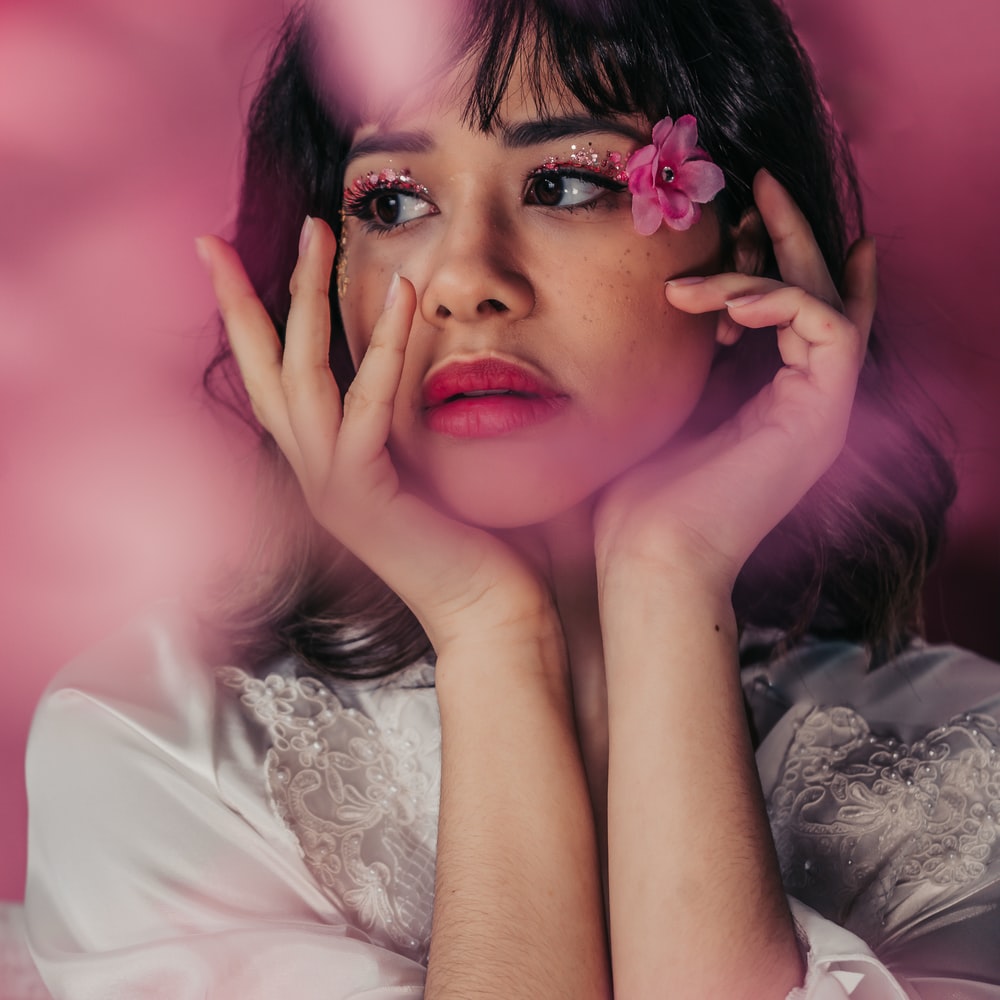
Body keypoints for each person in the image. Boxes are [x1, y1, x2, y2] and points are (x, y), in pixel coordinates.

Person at [23, 0, 1000, 997]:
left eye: (565, 182)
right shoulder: (160, 746)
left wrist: (668, 583)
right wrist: (490, 632)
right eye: (393, 203)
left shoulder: (962, 763)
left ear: (741, 251)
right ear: (328, 273)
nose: (466, 281)